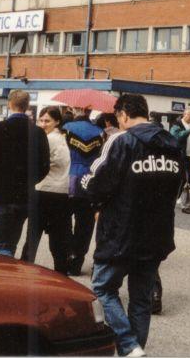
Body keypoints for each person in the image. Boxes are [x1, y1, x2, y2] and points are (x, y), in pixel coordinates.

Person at [81, 94, 184, 357]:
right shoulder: (172, 144)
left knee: (103, 288)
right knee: (140, 299)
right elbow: (178, 186)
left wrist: (96, 200)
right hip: (156, 234)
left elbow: (96, 183)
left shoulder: (121, 141)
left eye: (118, 118)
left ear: (124, 115)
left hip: (120, 233)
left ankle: (129, 346)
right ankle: (135, 350)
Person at [0, 89, 49, 256]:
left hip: (1, 195)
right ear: (27, 106)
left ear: (9, 104)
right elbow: (44, 165)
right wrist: (29, 182)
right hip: (23, 196)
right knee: (11, 243)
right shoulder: (38, 132)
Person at [21, 106, 72, 274]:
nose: (43, 124)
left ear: (57, 121)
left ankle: (22, 274)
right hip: (62, 193)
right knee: (59, 243)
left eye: (47, 121)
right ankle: (62, 277)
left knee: (32, 239)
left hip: (43, 191)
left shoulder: (47, 139)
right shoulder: (63, 139)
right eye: (41, 120)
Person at [63, 107, 105, 276]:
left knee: (64, 221)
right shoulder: (100, 132)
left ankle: (66, 255)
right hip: (89, 179)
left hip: (69, 177)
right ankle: (77, 261)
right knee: (85, 224)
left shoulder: (66, 129)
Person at [170, 108, 190, 214]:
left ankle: (177, 201)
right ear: (184, 114)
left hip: (189, 156)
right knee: (183, 180)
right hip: (179, 156)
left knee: (186, 180)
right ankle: (185, 205)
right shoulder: (177, 124)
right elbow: (176, 137)